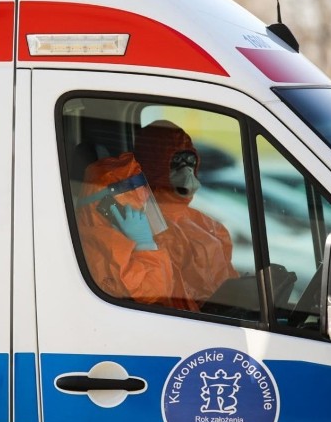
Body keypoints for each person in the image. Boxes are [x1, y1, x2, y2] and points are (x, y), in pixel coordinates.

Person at [133, 120, 239, 309]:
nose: (187, 171)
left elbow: (228, 288)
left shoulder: (211, 227)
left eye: (190, 161)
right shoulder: (138, 222)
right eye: (176, 162)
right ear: (155, 164)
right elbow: (157, 297)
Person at [75, 152, 179, 307]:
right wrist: (144, 244)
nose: (143, 211)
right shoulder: (103, 244)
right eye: (135, 205)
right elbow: (154, 293)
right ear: (109, 208)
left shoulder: (117, 233)